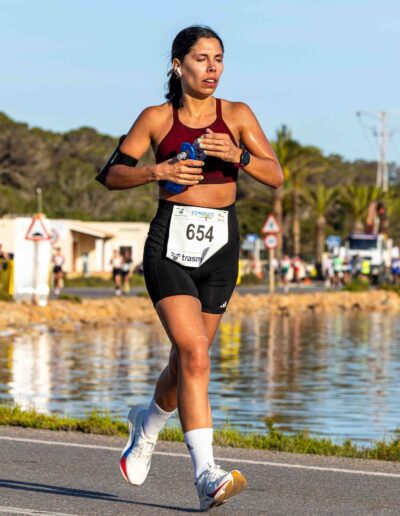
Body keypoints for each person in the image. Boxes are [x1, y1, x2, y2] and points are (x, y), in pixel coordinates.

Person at [104, 25, 283, 511]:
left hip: (221, 247)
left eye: (218, 59)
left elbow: (275, 174)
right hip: (169, 244)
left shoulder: (237, 115)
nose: (212, 68)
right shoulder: (156, 118)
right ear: (178, 64)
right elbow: (111, 174)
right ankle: (206, 475)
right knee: (196, 353)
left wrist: (238, 155)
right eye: (202, 59)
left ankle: (147, 426)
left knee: (186, 362)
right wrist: (156, 171)